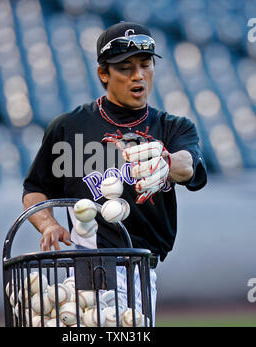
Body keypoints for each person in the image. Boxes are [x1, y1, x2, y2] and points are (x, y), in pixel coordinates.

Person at [22, 22, 207, 326]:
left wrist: (165, 162)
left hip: (140, 269)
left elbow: (188, 166)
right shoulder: (70, 128)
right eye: (125, 67)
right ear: (103, 74)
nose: (138, 75)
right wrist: (47, 224)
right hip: (84, 267)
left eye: (145, 64)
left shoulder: (173, 127)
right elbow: (34, 189)